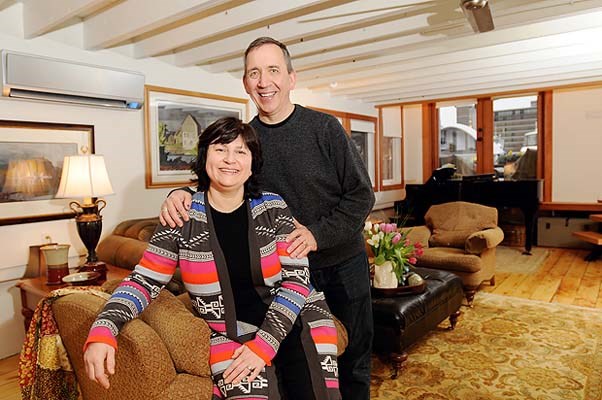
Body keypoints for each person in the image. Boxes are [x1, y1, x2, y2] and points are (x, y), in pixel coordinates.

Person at [161, 37, 375, 400]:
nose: (264, 81)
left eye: (273, 70)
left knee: (353, 360)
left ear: (291, 78)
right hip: (281, 276)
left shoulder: (324, 128)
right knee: (297, 363)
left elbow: (362, 195)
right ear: (246, 83)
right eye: (254, 73)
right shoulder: (244, 140)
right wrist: (176, 194)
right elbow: (215, 182)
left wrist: (317, 235)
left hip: (340, 264)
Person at [83, 117, 341, 400]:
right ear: (205, 155)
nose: (230, 159)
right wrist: (104, 327)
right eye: (221, 149)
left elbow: (297, 282)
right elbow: (144, 281)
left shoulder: (273, 208)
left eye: (241, 151)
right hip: (229, 331)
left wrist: (264, 345)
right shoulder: (180, 216)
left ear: (253, 163)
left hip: (294, 316)